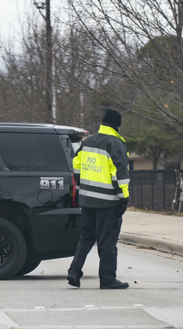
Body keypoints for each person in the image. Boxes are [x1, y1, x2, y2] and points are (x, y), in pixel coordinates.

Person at [67, 109, 131, 289]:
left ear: (103, 123)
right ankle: (107, 279)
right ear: (118, 126)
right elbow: (119, 175)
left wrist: (80, 187)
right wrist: (123, 197)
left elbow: (76, 165)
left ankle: (74, 271)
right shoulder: (115, 143)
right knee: (107, 241)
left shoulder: (89, 141)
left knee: (86, 237)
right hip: (108, 202)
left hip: (87, 199)